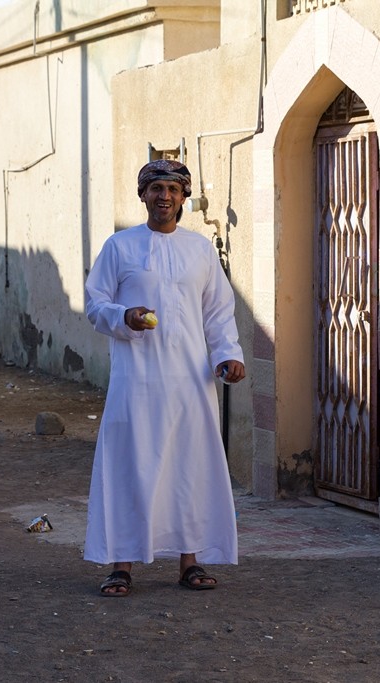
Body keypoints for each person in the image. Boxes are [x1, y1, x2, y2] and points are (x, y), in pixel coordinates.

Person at [82, 159, 246, 597]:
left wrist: (228, 354)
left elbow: (217, 312)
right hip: (137, 381)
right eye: (156, 188)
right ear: (143, 195)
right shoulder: (119, 247)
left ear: (184, 197)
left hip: (191, 381)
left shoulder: (201, 250)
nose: (164, 197)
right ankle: (121, 565)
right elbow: (95, 304)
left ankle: (190, 563)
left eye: (173, 189)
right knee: (131, 465)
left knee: (189, 467)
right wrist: (125, 316)